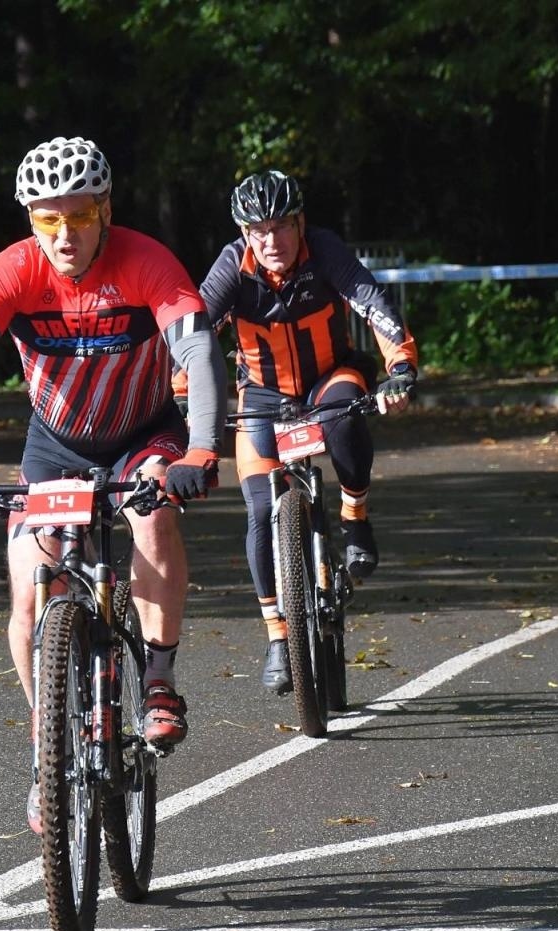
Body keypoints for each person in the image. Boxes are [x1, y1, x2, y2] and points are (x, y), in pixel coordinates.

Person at [0, 136, 226, 832]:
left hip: (142, 434)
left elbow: (198, 351)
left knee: (153, 515)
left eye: (78, 216)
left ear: (104, 210)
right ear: (30, 219)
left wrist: (202, 449)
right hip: (54, 446)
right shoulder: (13, 271)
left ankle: (158, 678)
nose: (63, 234)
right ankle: (45, 748)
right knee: (31, 587)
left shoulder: (147, 262)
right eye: (46, 219)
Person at [199, 169, 418, 696]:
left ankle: (355, 517)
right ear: (244, 234)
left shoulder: (324, 251)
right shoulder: (234, 266)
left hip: (329, 378)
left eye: (280, 227)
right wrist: (180, 392)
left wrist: (401, 366)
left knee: (346, 409)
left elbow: (371, 301)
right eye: (257, 231)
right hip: (263, 396)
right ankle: (278, 635)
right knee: (257, 509)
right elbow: (194, 328)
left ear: (300, 223)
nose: (270, 241)